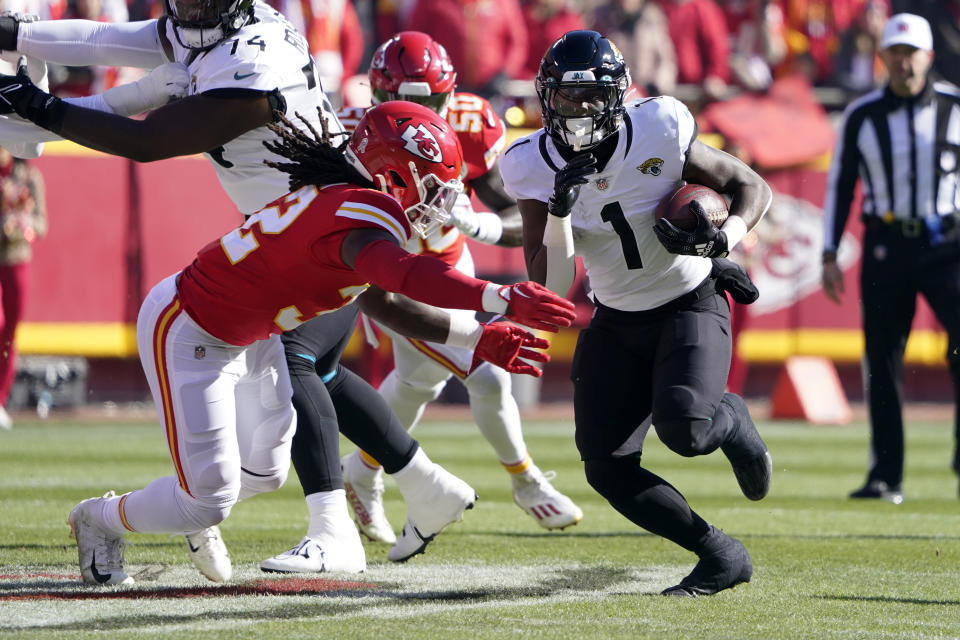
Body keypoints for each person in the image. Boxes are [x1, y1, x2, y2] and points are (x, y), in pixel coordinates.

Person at [0, 2, 564, 579]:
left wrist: (476, 336)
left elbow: (388, 298)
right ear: (391, 175)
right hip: (193, 328)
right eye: (432, 188)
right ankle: (100, 518)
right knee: (208, 497)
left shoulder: (350, 194)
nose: (440, 204)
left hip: (251, 324)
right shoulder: (349, 210)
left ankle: (375, 493)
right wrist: (494, 299)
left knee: (266, 470)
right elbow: (403, 277)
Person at [500, 30, 773, 596]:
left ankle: (735, 421)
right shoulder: (529, 164)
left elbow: (750, 185)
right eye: (567, 97)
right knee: (605, 466)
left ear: (617, 95)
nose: (579, 110)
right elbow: (550, 284)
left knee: (688, 432)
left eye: (592, 96)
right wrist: (559, 210)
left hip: (687, 302)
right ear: (545, 97)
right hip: (616, 319)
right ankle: (719, 554)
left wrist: (729, 239)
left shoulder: (660, 126)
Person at [333, 31, 582, 545]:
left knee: (416, 384)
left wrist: (481, 227)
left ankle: (359, 470)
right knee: (487, 375)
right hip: (398, 274)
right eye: (410, 101)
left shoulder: (471, 121)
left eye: (433, 101)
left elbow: (518, 215)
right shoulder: (354, 135)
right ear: (378, 100)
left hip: (452, 260)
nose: (423, 112)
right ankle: (525, 481)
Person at [821, 13, 960, 504]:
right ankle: (886, 474)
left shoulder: (955, 108)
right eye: (894, 53)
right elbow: (841, 184)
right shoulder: (862, 115)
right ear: (882, 57)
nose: (903, 62)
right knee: (882, 360)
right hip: (886, 244)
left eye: (910, 52)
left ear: (928, 55)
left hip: (949, 244)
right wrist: (829, 250)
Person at [0, 145, 45, 430]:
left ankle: (0, 398)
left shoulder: (28, 176)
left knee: (10, 331)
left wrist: (23, 223)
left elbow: (42, 224)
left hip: (17, 259)